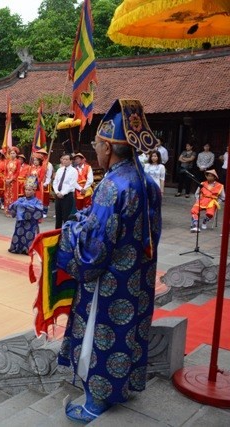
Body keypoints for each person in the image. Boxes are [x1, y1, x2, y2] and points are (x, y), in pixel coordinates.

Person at [57, 99, 162, 423]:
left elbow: (94, 249)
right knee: (128, 334)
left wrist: (72, 230)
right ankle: (123, 386)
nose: (95, 150)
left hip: (110, 282)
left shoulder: (111, 186)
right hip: (137, 277)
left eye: (97, 145)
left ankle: (95, 402)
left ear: (108, 147)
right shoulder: (145, 181)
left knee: (99, 338)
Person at [7, 183, 44, 254]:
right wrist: (17, 205)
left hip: (31, 223)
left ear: (34, 191)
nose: (27, 191)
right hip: (20, 222)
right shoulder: (21, 199)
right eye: (26, 190)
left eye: (29, 190)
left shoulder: (37, 201)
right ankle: (16, 248)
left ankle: (29, 249)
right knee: (18, 233)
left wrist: (25, 206)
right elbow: (12, 206)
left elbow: (39, 210)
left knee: (29, 236)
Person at [52, 153, 79, 229]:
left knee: (66, 217)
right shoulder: (60, 170)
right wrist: (57, 192)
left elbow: (71, 184)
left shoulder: (74, 171)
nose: (64, 161)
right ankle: (56, 236)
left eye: (66, 159)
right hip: (58, 195)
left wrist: (63, 193)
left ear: (71, 161)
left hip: (67, 196)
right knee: (58, 217)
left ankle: (65, 235)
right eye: (63, 159)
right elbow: (55, 182)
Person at [4, 148, 21, 217]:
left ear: (16, 154)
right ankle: (7, 210)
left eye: (14, 153)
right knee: (7, 195)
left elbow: (17, 172)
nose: (12, 154)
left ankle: (13, 211)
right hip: (7, 181)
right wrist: (5, 179)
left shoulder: (18, 162)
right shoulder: (7, 161)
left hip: (14, 181)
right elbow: (5, 171)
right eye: (11, 153)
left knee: (13, 195)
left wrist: (11, 179)